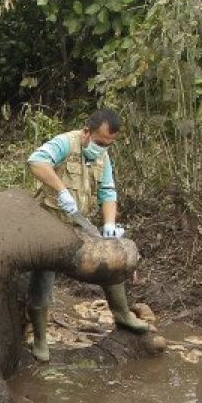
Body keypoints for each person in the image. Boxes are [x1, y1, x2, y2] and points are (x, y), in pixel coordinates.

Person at [27, 108, 148, 362]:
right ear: (86, 133)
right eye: (99, 142)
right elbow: (36, 161)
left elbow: (108, 192)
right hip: (48, 221)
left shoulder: (103, 157)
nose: (102, 147)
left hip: (77, 223)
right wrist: (60, 190)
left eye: (108, 144)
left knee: (111, 256)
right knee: (43, 274)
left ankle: (123, 314)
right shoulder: (65, 143)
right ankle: (40, 338)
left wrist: (109, 225)